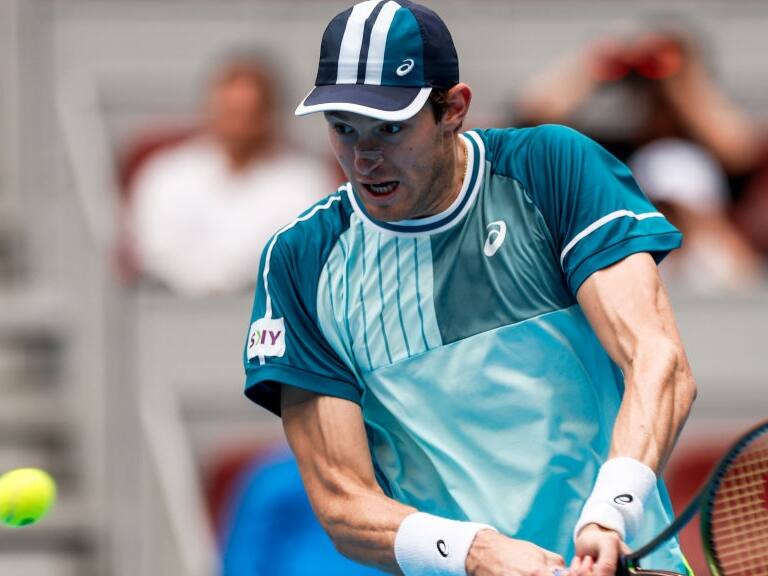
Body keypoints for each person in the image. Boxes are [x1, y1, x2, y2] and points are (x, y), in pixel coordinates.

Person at [242, 2, 697, 575]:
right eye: (343, 128)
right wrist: (477, 554)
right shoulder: (302, 261)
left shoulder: (551, 170)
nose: (364, 156)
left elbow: (658, 360)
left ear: (453, 108)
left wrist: (611, 511)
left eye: (391, 127)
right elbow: (342, 501)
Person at [128, 53, 334, 296]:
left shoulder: (305, 183)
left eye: (249, 113)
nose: (238, 125)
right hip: (171, 314)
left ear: (269, 115)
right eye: (230, 111)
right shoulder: (165, 175)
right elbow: (153, 253)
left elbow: (302, 258)